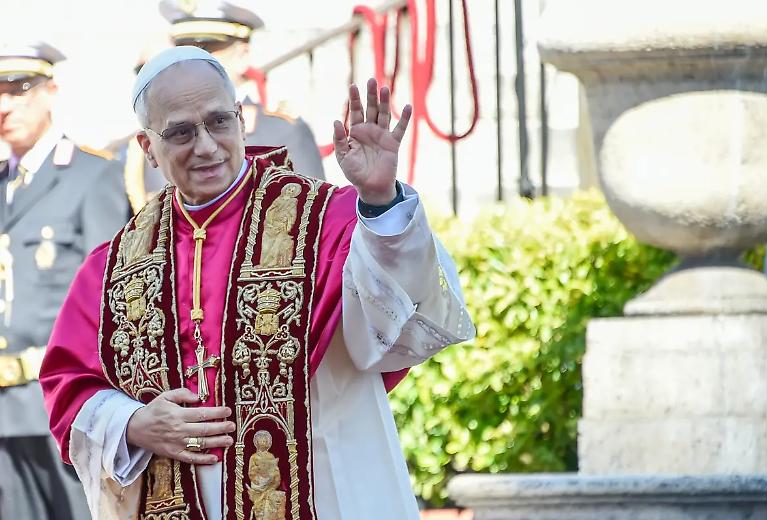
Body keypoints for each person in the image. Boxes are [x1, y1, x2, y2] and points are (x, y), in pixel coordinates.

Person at [40, 46, 474, 520]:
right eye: (181, 131)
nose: (205, 145)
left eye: (218, 122)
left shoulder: (327, 223)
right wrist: (135, 424)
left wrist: (378, 201)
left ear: (241, 121)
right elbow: (70, 388)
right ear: (148, 149)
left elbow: (403, 324)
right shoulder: (115, 265)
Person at [0, 41, 130, 519]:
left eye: (19, 89)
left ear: (51, 91)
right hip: (4, 415)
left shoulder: (93, 175)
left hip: (63, 407)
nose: (4, 105)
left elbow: (113, 297)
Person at [161, 0, 326, 180]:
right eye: (184, 52)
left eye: (206, 52)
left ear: (242, 55)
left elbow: (315, 204)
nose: (191, 63)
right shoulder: (162, 132)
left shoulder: (283, 131)